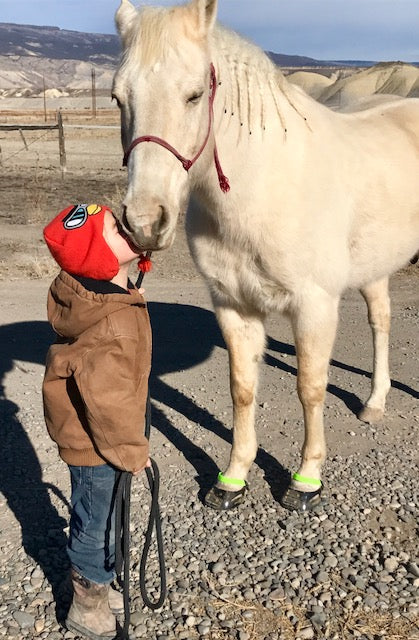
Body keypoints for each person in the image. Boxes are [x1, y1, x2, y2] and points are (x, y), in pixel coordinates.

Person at [42, 203, 152, 640]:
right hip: (98, 444)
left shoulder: (97, 297)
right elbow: (107, 399)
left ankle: (102, 579)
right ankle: (87, 606)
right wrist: (131, 451)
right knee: (96, 520)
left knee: (101, 513)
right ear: (99, 258)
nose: (125, 223)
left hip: (92, 436)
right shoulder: (112, 322)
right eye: (114, 227)